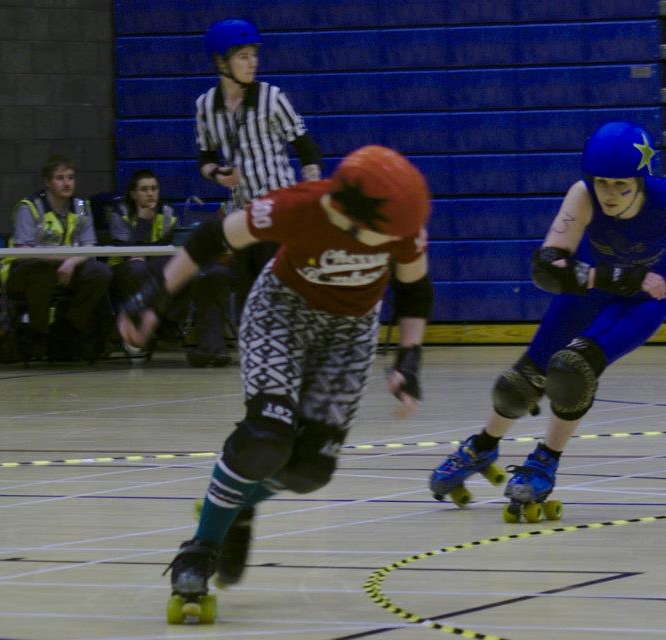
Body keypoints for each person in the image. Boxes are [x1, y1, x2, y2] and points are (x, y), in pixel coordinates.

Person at [117, 145, 433, 623]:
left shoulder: (400, 227)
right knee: (265, 437)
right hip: (281, 312)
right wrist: (156, 294)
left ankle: (237, 504)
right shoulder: (300, 205)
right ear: (347, 215)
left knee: (311, 469)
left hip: (348, 333)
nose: (391, 242)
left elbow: (414, 291)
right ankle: (200, 550)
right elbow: (211, 238)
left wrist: (409, 360)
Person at [429, 121, 666, 522]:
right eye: (602, 183)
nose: (610, 195)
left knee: (571, 371)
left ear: (640, 180)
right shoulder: (582, 197)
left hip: (642, 302)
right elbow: (546, 269)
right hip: (594, 290)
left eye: (621, 185)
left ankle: (545, 461)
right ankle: (481, 446)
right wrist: (613, 277)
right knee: (519, 383)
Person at [196, 18, 323, 317]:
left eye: (255, 55)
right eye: (243, 56)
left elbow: (307, 149)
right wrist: (216, 174)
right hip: (241, 215)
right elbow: (205, 159)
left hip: (279, 211)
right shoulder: (205, 106)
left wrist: (311, 190)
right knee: (248, 299)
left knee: (279, 293)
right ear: (221, 62)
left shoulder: (272, 98)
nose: (253, 63)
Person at [108, 169, 234, 366]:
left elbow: (171, 248)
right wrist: (143, 220)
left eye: (154, 189)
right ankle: (139, 326)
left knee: (189, 274)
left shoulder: (167, 212)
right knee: (138, 269)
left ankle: (167, 324)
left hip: (156, 266)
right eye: (144, 189)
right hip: (125, 269)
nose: (150, 194)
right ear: (133, 194)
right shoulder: (119, 213)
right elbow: (129, 251)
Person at [0, 154, 112, 361]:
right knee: (40, 273)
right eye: (60, 178)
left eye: (70, 177)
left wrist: (71, 262)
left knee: (101, 272)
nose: (67, 182)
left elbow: (89, 245)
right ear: (47, 182)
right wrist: (64, 260)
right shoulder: (30, 207)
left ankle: (68, 327)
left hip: (66, 271)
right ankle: (39, 334)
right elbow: (24, 253)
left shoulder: (81, 206)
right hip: (25, 274)